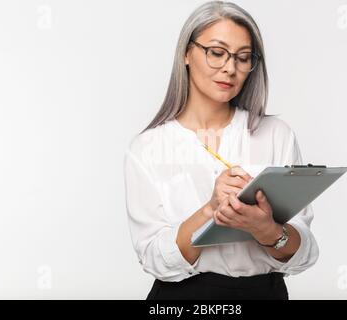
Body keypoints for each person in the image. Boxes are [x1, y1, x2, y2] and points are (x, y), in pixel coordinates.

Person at [123, 1, 319, 300]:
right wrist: (210, 210)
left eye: (243, 58)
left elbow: (304, 253)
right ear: (187, 53)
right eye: (216, 53)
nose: (230, 68)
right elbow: (153, 258)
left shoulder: (276, 135)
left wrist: (266, 230)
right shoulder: (147, 148)